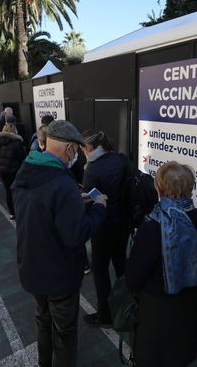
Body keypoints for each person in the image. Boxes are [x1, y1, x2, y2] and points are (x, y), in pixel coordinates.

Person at [11, 120, 107, 367]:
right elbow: (76, 234)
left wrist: (76, 201)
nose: (76, 156)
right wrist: (98, 209)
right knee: (64, 333)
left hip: (31, 268)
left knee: (43, 321)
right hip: (59, 275)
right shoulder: (62, 184)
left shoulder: (27, 169)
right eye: (76, 150)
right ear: (69, 149)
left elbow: (42, 209)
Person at [125, 161, 197, 367]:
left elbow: (133, 278)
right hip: (190, 303)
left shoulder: (152, 226)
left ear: (160, 188)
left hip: (158, 312)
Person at [80, 130, 128, 326]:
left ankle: (105, 315)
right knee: (120, 263)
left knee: (100, 268)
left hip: (104, 225)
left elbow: (88, 201)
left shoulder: (92, 169)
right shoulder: (122, 159)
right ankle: (129, 304)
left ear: (90, 149)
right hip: (124, 222)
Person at [0, 122, 25, 220]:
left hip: (3, 171)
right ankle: (20, 211)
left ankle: (12, 213)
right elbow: (22, 157)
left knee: (8, 191)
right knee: (18, 191)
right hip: (16, 171)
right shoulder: (17, 142)